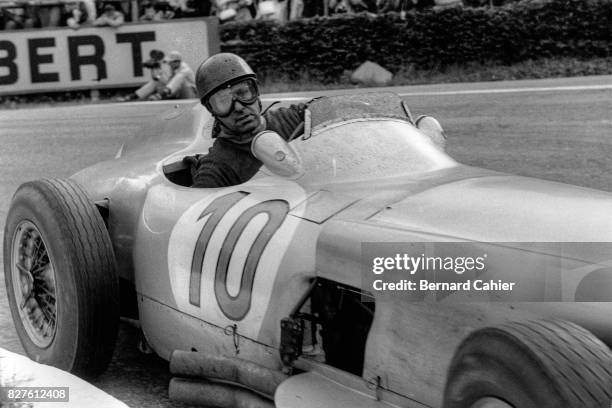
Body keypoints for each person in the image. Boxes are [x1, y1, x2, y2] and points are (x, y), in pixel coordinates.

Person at [184, 53, 307, 188]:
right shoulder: (216, 170)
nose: (238, 107)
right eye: (223, 101)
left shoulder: (294, 118)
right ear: (212, 110)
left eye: (243, 93)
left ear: (256, 93)